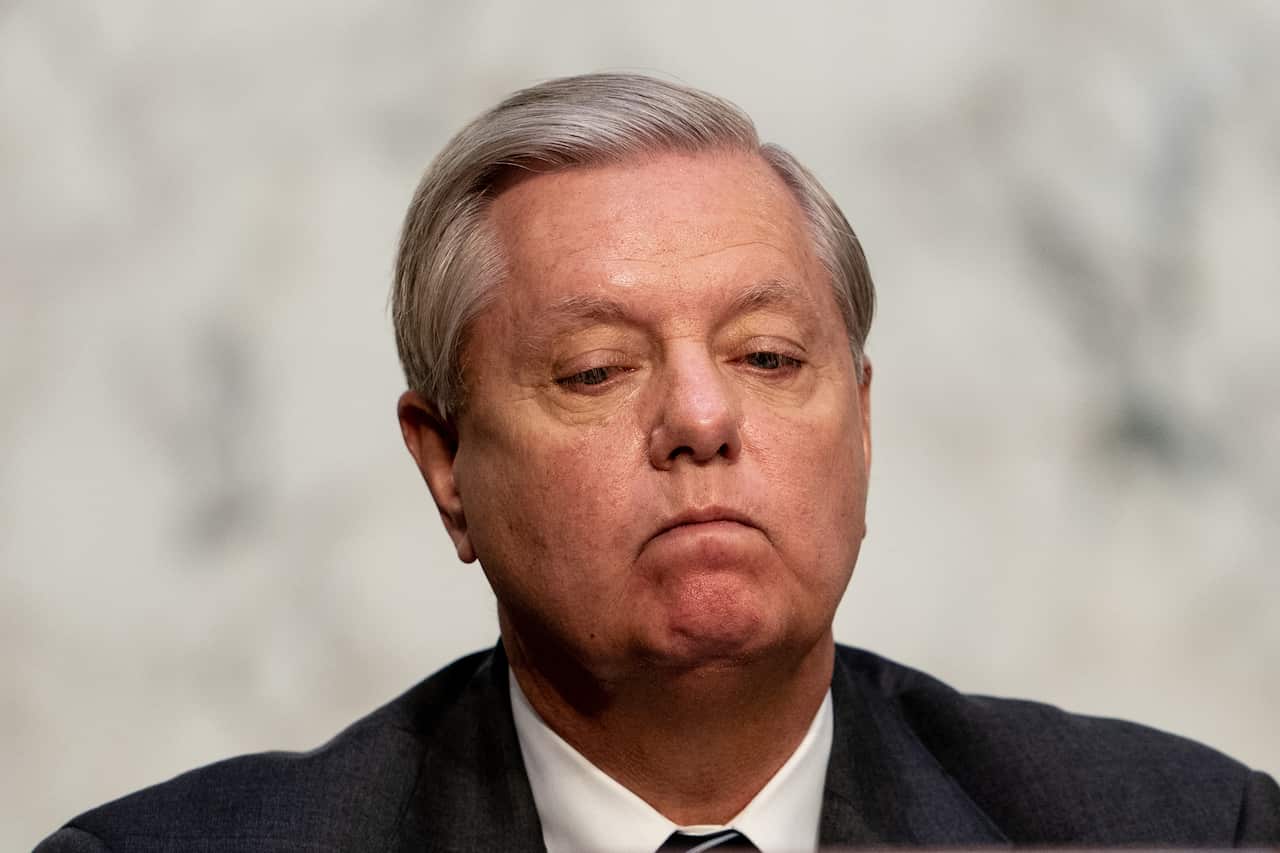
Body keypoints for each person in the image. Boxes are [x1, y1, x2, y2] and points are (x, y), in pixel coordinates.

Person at [38, 73, 1279, 853]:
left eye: (768, 357)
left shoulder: (1185, 830)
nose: (699, 416)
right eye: (592, 371)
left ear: (860, 421)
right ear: (446, 468)